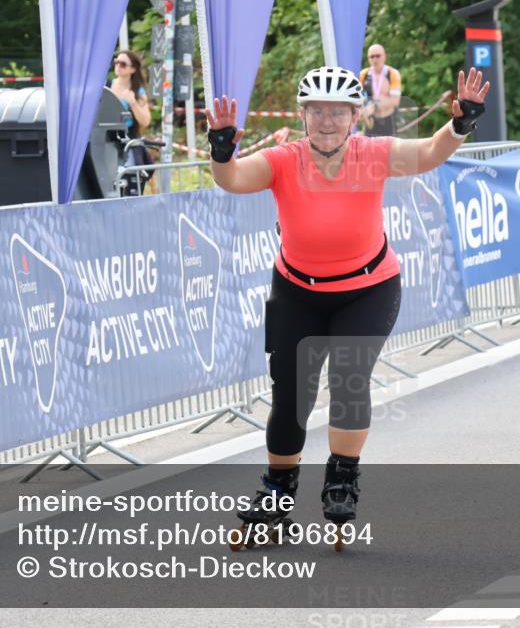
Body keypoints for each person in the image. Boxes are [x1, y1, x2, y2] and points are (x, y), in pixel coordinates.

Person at [206, 66, 489, 540]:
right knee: (291, 394)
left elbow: (428, 153)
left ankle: (342, 476)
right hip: (296, 290)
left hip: (368, 288)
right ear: (302, 115)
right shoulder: (283, 159)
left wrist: (461, 124)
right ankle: (277, 488)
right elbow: (232, 179)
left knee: (349, 381)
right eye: (317, 111)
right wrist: (221, 150)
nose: (327, 121)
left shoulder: (372, 154)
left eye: (338, 112)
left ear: (355, 117)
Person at [109, 50, 153, 195]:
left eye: (123, 64)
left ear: (133, 69)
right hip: (105, 140)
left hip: (127, 142)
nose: (118, 66)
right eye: (116, 62)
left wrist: (132, 102)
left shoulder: (137, 91)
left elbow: (145, 121)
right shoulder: (106, 86)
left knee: (130, 182)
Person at [359, 44, 403, 137]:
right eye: (372, 57)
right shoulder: (363, 74)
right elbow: (356, 98)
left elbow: (395, 101)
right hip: (370, 121)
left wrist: (374, 105)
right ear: (368, 59)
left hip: (389, 121)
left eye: (378, 56)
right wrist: (362, 110)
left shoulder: (393, 73)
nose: (375, 59)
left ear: (384, 57)